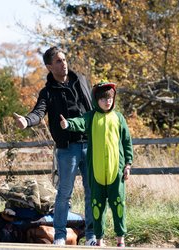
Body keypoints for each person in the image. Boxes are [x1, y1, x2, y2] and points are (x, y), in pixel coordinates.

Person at [13, 46, 96, 246]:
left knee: (92, 192)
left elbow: (93, 108)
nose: (64, 63)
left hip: (90, 144)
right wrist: (26, 121)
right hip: (67, 148)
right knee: (64, 194)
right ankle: (59, 235)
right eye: (58, 61)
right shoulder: (48, 92)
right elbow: (38, 112)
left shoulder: (81, 81)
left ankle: (92, 236)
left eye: (65, 59)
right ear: (49, 66)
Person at [60, 82, 133, 247]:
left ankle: (120, 240)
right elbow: (79, 122)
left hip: (117, 172)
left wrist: (128, 164)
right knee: (97, 207)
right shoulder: (91, 117)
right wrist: (68, 124)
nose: (107, 102)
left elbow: (127, 142)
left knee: (118, 205)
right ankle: (99, 241)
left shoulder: (119, 118)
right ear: (96, 100)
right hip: (96, 172)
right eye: (103, 99)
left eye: (110, 98)